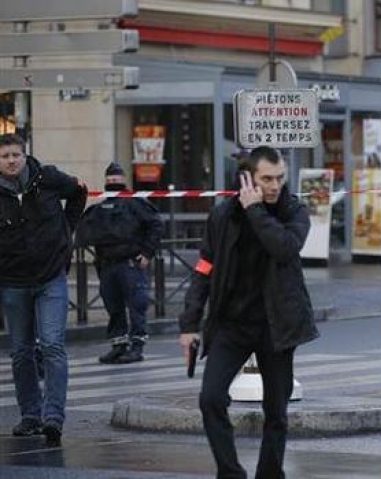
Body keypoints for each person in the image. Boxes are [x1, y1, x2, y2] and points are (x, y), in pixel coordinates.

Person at [178, 146, 319, 479]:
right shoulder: (223, 216)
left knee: (276, 411)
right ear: (247, 179)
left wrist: (256, 210)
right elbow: (204, 268)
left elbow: (284, 247)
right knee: (210, 398)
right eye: (266, 179)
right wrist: (189, 323)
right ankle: (230, 473)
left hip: (276, 325)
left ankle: (269, 474)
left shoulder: (294, 211)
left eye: (280, 178)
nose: (274, 185)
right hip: (232, 324)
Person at [0, 133, 88, 447]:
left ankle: (53, 418)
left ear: (25, 156)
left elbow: (79, 192)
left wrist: (67, 229)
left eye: (15, 154)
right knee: (22, 352)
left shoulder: (47, 178)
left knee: (52, 346)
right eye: (4, 156)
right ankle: (30, 417)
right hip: (12, 282)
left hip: (51, 277)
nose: (11, 160)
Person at [75, 162, 164, 364]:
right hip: (107, 265)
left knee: (136, 307)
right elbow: (85, 230)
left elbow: (156, 225)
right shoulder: (100, 206)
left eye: (116, 179)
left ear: (124, 180)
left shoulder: (135, 203)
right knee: (113, 308)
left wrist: (147, 253)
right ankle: (119, 345)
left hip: (130, 263)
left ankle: (137, 346)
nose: (113, 182)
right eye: (110, 179)